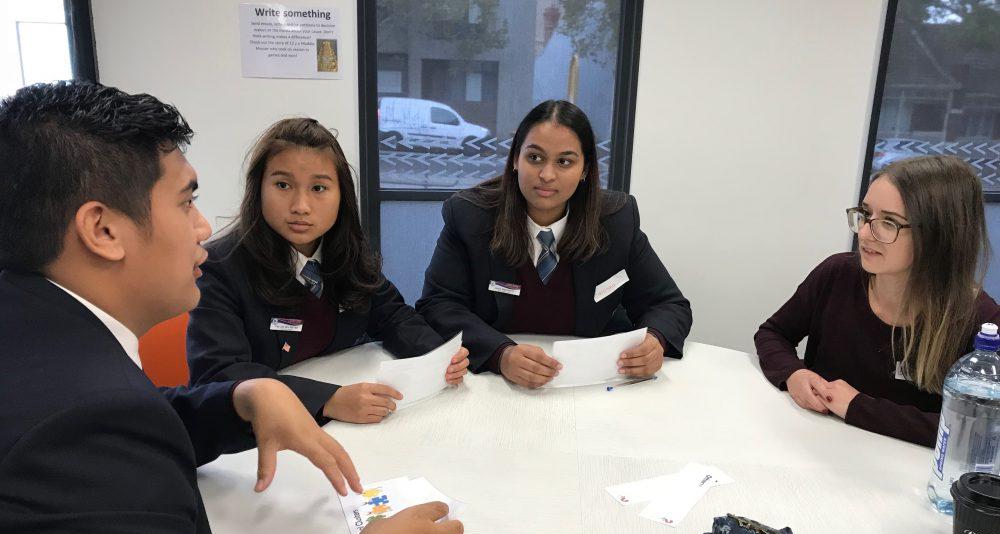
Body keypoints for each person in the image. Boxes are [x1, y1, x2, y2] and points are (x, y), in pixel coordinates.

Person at [0, 81, 462, 534]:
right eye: (186, 202)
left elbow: (147, 414)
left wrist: (240, 401)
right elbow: (110, 428)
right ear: (103, 230)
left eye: (320, 188)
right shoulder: (85, 427)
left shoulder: (33, 332)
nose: (202, 227)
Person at [187, 117, 469, 424]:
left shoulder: (347, 251)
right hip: (258, 431)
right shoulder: (218, 267)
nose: (301, 206)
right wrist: (328, 399)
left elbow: (392, 315)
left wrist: (436, 356)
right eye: (283, 185)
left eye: (319, 188)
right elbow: (221, 374)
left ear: (341, 196)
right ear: (258, 189)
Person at [416, 100, 692, 388]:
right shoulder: (469, 216)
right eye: (534, 158)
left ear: (585, 169)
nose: (547, 175)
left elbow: (668, 304)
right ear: (514, 159)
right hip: (496, 384)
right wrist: (501, 354)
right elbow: (437, 305)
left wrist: (655, 340)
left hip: (590, 381)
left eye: (564, 162)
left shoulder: (616, 220)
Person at [754, 155, 1000, 447]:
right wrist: (793, 373)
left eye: (889, 222)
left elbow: (977, 432)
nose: (865, 232)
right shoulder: (837, 274)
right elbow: (773, 333)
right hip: (813, 444)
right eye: (866, 214)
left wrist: (858, 407)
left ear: (938, 236)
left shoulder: (980, 321)